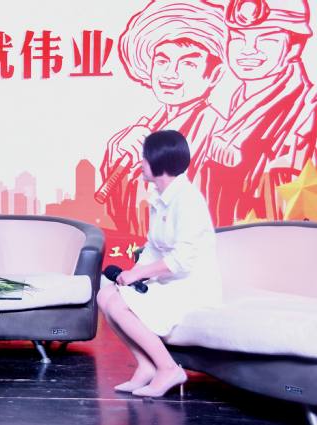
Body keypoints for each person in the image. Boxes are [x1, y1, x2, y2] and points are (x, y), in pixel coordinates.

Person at [97, 130, 222, 398]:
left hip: (191, 286)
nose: (140, 163)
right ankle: (146, 366)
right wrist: (132, 274)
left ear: (158, 161)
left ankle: (168, 368)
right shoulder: (159, 197)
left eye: (144, 158)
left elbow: (183, 260)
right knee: (105, 295)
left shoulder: (187, 200)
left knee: (118, 304)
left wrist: (140, 274)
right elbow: (154, 247)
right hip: (168, 281)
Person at [96, 0, 227, 235]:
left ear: (214, 75)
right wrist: (116, 155)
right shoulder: (138, 131)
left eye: (188, 63)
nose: (170, 73)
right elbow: (118, 215)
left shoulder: (219, 133)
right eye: (162, 60)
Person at [208, 0, 317, 225]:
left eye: (267, 39)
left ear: (294, 48)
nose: (248, 50)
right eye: (238, 38)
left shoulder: (307, 114)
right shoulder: (230, 112)